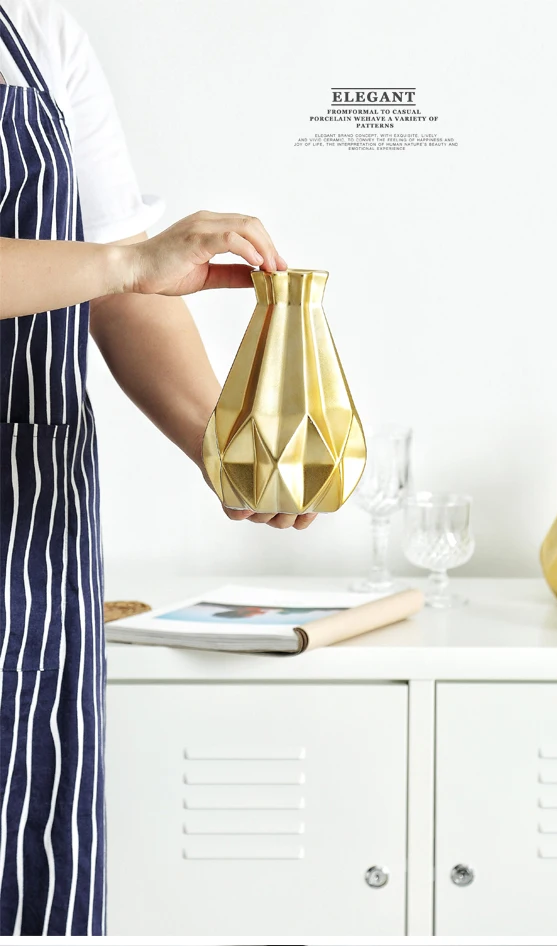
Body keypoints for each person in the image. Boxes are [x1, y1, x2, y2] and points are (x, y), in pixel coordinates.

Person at [0, 0, 315, 934]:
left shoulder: (38, 37)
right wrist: (130, 260)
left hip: (28, 539)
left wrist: (229, 452)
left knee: (30, 846)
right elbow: (123, 264)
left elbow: (123, 289)